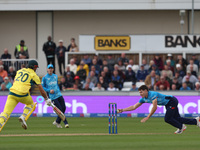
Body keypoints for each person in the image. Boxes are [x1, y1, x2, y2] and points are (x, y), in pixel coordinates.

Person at [117, 85, 200, 134]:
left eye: (141, 92)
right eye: (139, 92)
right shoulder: (143, 99)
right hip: (167, 104)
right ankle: (196, 121)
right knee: (177, 119)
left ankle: (181, 127)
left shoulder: (152, 94)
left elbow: (155, 107)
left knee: (167, 119)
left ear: (146, 91)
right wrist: (123, 110)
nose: (140, 94)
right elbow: (134, 107)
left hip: (172, 101)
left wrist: (148, 117)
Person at [0, 60, 51, 132]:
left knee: (5, 113)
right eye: (36, 68)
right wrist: (46, 99)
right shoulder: (34, 75)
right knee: (32, 104)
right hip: (22, 94)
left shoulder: (20, 71)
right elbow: (41, 90)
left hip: (12, 93)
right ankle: (23, 117)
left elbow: (15, 82)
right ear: (34, 67)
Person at [42, 64, 69, 128]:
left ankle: (57, 121)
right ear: (47, 69)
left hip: (59, 94)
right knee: (59, 109)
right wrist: (49, 91)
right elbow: (43, 87)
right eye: (49, 68)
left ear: (53, 69)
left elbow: (56, 85)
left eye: (51, 68)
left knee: (64, 108)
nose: (50, 69)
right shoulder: (45, 77)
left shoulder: (55, 76)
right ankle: (66, 123)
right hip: (53, 97)